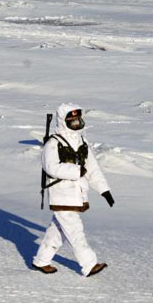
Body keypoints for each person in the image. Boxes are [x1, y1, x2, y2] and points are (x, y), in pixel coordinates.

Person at [32, 103, 114, 277]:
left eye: (79, 120)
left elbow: (92, 168)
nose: (77, 124)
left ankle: (41, 260)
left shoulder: (82, 141)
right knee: (75, 230)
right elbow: (50, 167)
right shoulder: (53, 143)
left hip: (77, 194)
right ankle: (89, 264)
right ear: (64, 121)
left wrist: (104, 190)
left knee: (58, 230)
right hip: (61, 193)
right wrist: (76, 171)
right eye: (73, 121)